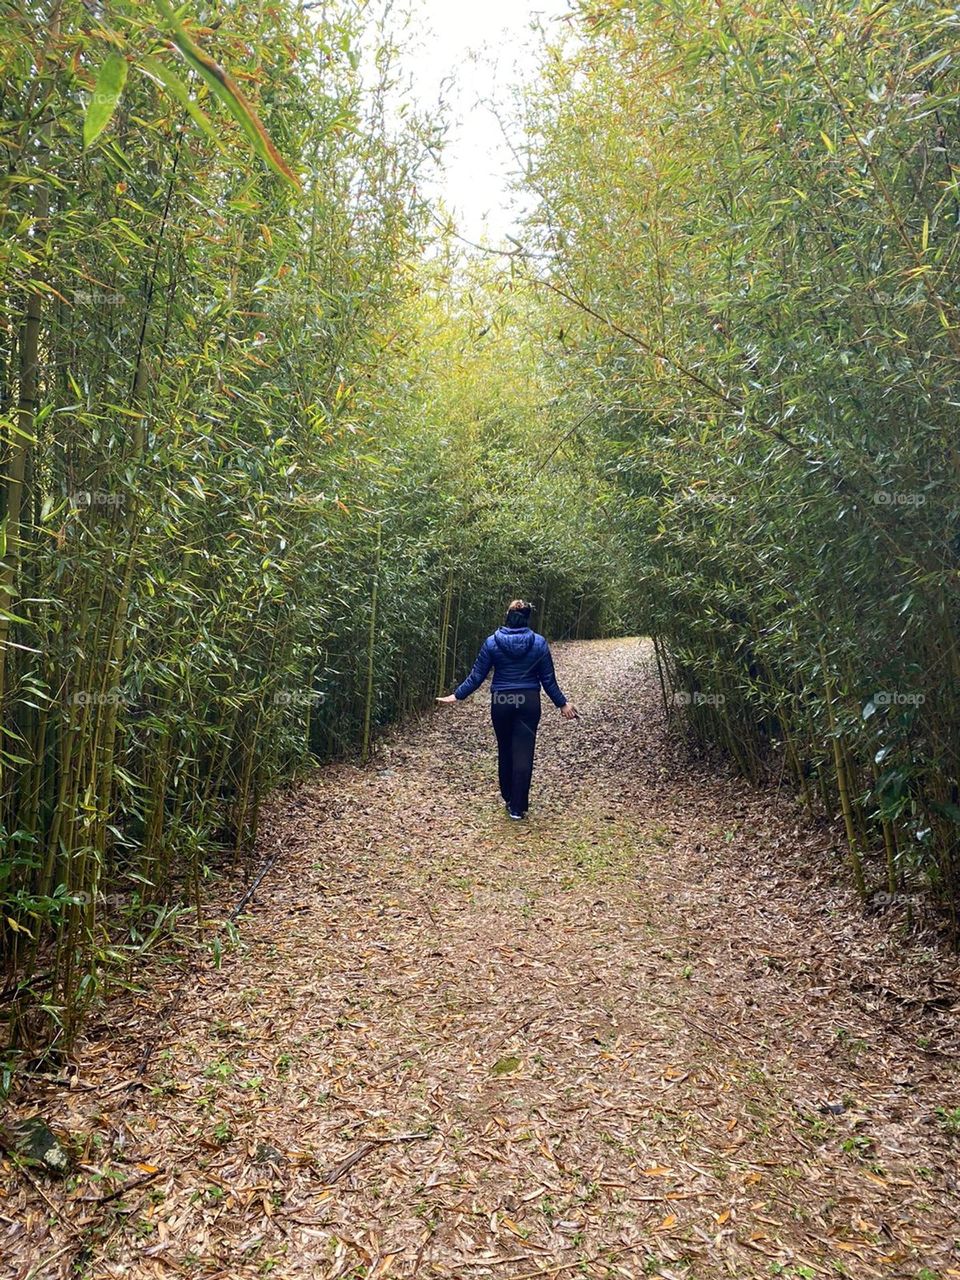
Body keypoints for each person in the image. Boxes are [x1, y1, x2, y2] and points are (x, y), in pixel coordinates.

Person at [436, 598, 578, 819]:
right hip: (529, 701)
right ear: (527, 618)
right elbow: (548, 680)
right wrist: (563, 703)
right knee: (524, 752)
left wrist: (457, 695)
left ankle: (509, 797)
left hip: (501, 701)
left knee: (505, 749)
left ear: (508, 616)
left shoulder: (492, 642)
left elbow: (477, 675)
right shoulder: (539, 642)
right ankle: (517, 808)